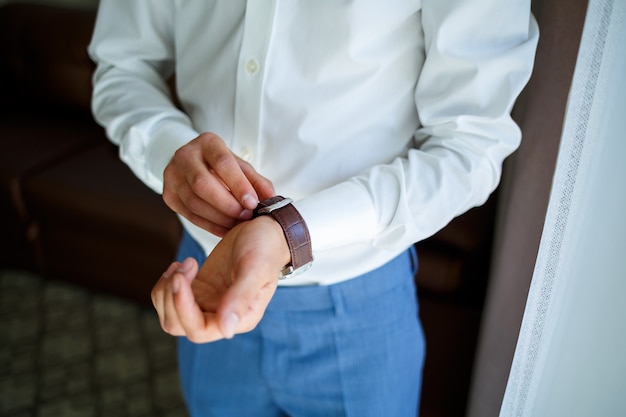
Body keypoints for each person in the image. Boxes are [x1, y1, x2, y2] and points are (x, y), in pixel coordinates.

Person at [89, 1, 538, 416]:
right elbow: (122, 66)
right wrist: (168, 151)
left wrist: (289, 231)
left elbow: (469, 145)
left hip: (359, 309)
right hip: (205, 278)